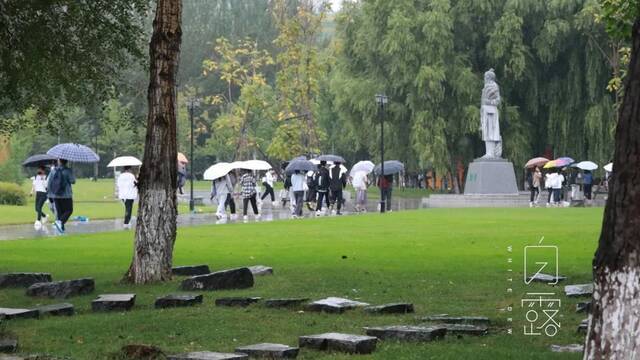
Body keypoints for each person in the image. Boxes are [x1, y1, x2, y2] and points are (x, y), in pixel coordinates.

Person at [47, 159, 76, 234]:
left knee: (60, 213)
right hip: (66, 195)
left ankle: (61, 230)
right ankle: (59, 223)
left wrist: (49, 195)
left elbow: (49, 182)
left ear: (59, 161)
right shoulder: (68, 171)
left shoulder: (53, 171)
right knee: (69, 210)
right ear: (67, 162)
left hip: (55, 195)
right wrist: (71, 172)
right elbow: (73, 181)